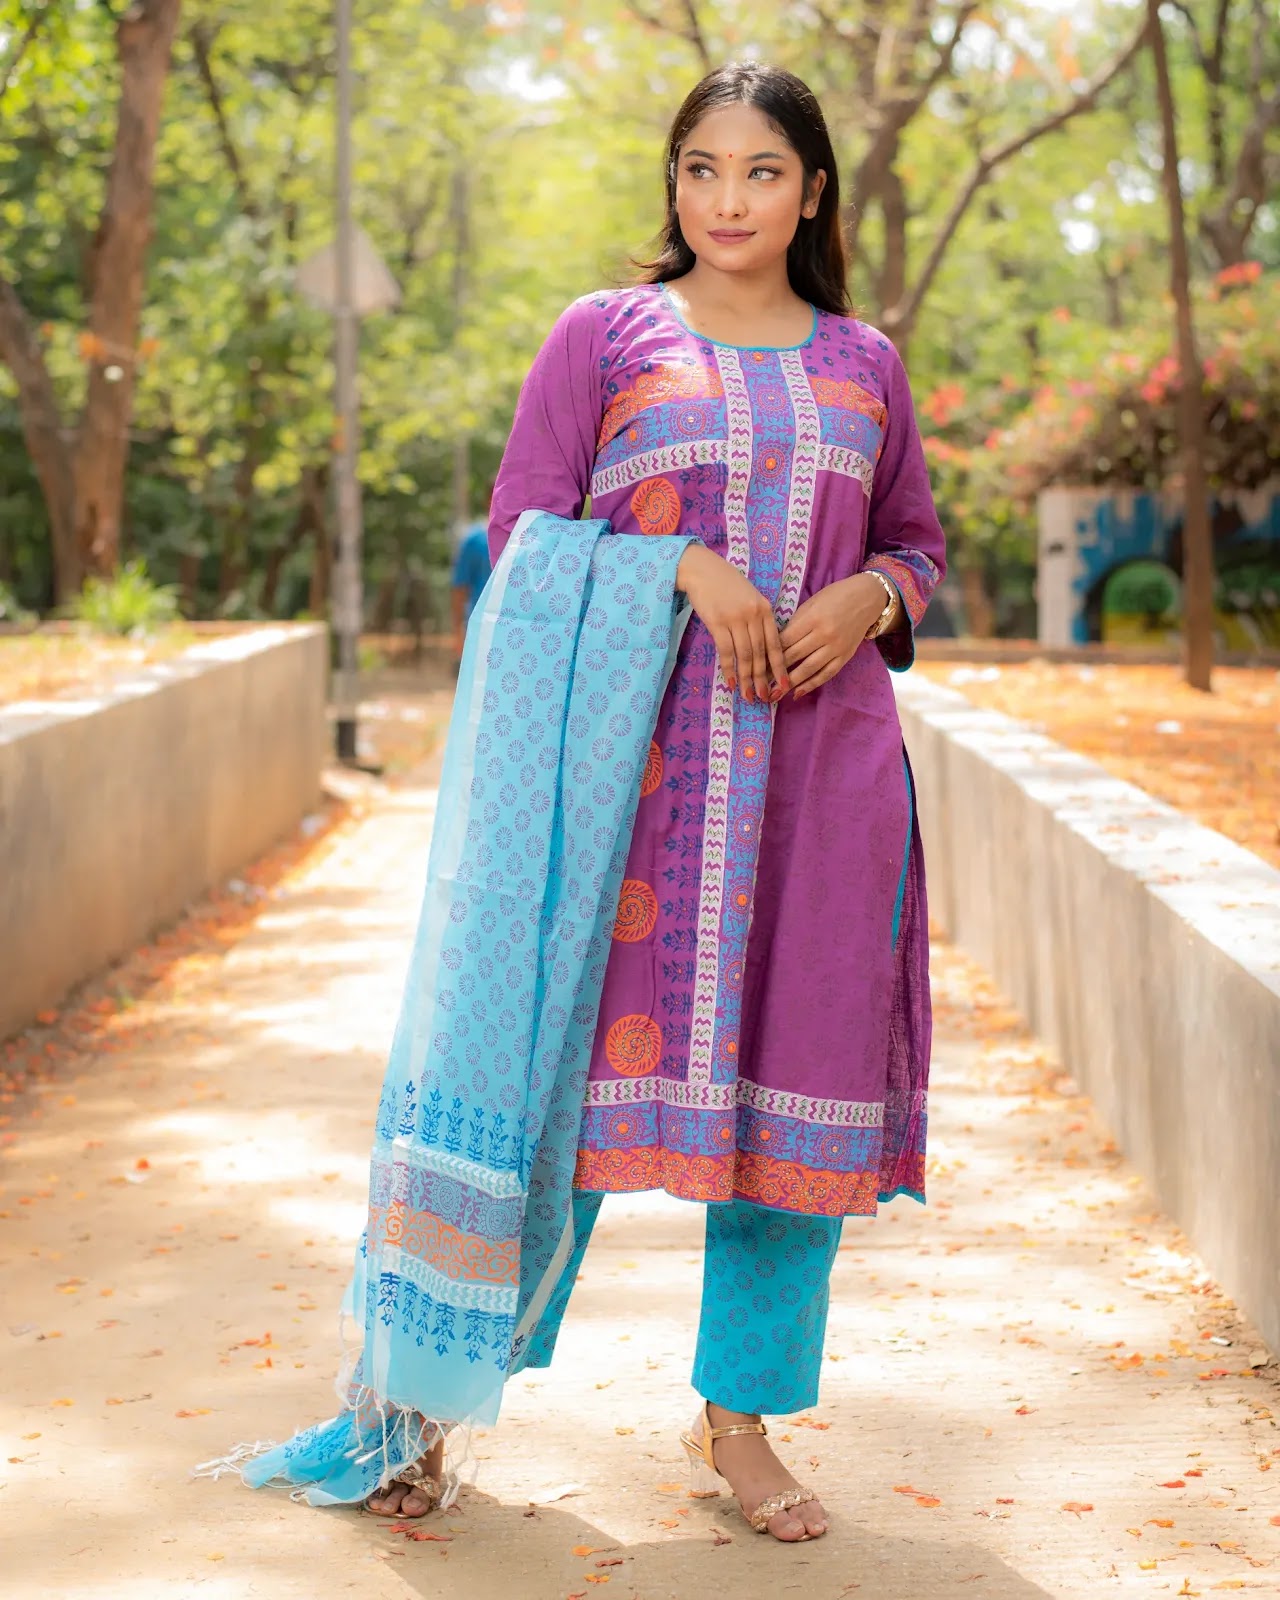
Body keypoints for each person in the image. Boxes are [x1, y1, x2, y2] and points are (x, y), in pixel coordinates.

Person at [210, 60, 945, 1548]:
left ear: (812, 191)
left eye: (761, 172)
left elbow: (917, 544)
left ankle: (738, 1427)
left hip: (819, 790)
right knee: (549, 1093)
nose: (727, 200)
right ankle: (419, 1405)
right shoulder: (606, 337)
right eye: (701, 169)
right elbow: (520, 532)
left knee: (784, 1128)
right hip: (618, 796)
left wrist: (870, 595)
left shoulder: (864, 362)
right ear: (672, 183)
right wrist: (682, 567)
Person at [450, 494, 494, 667]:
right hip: (480, 627)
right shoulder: (474, 539)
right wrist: (457, 633)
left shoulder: (524, 536)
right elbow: (460, 588)